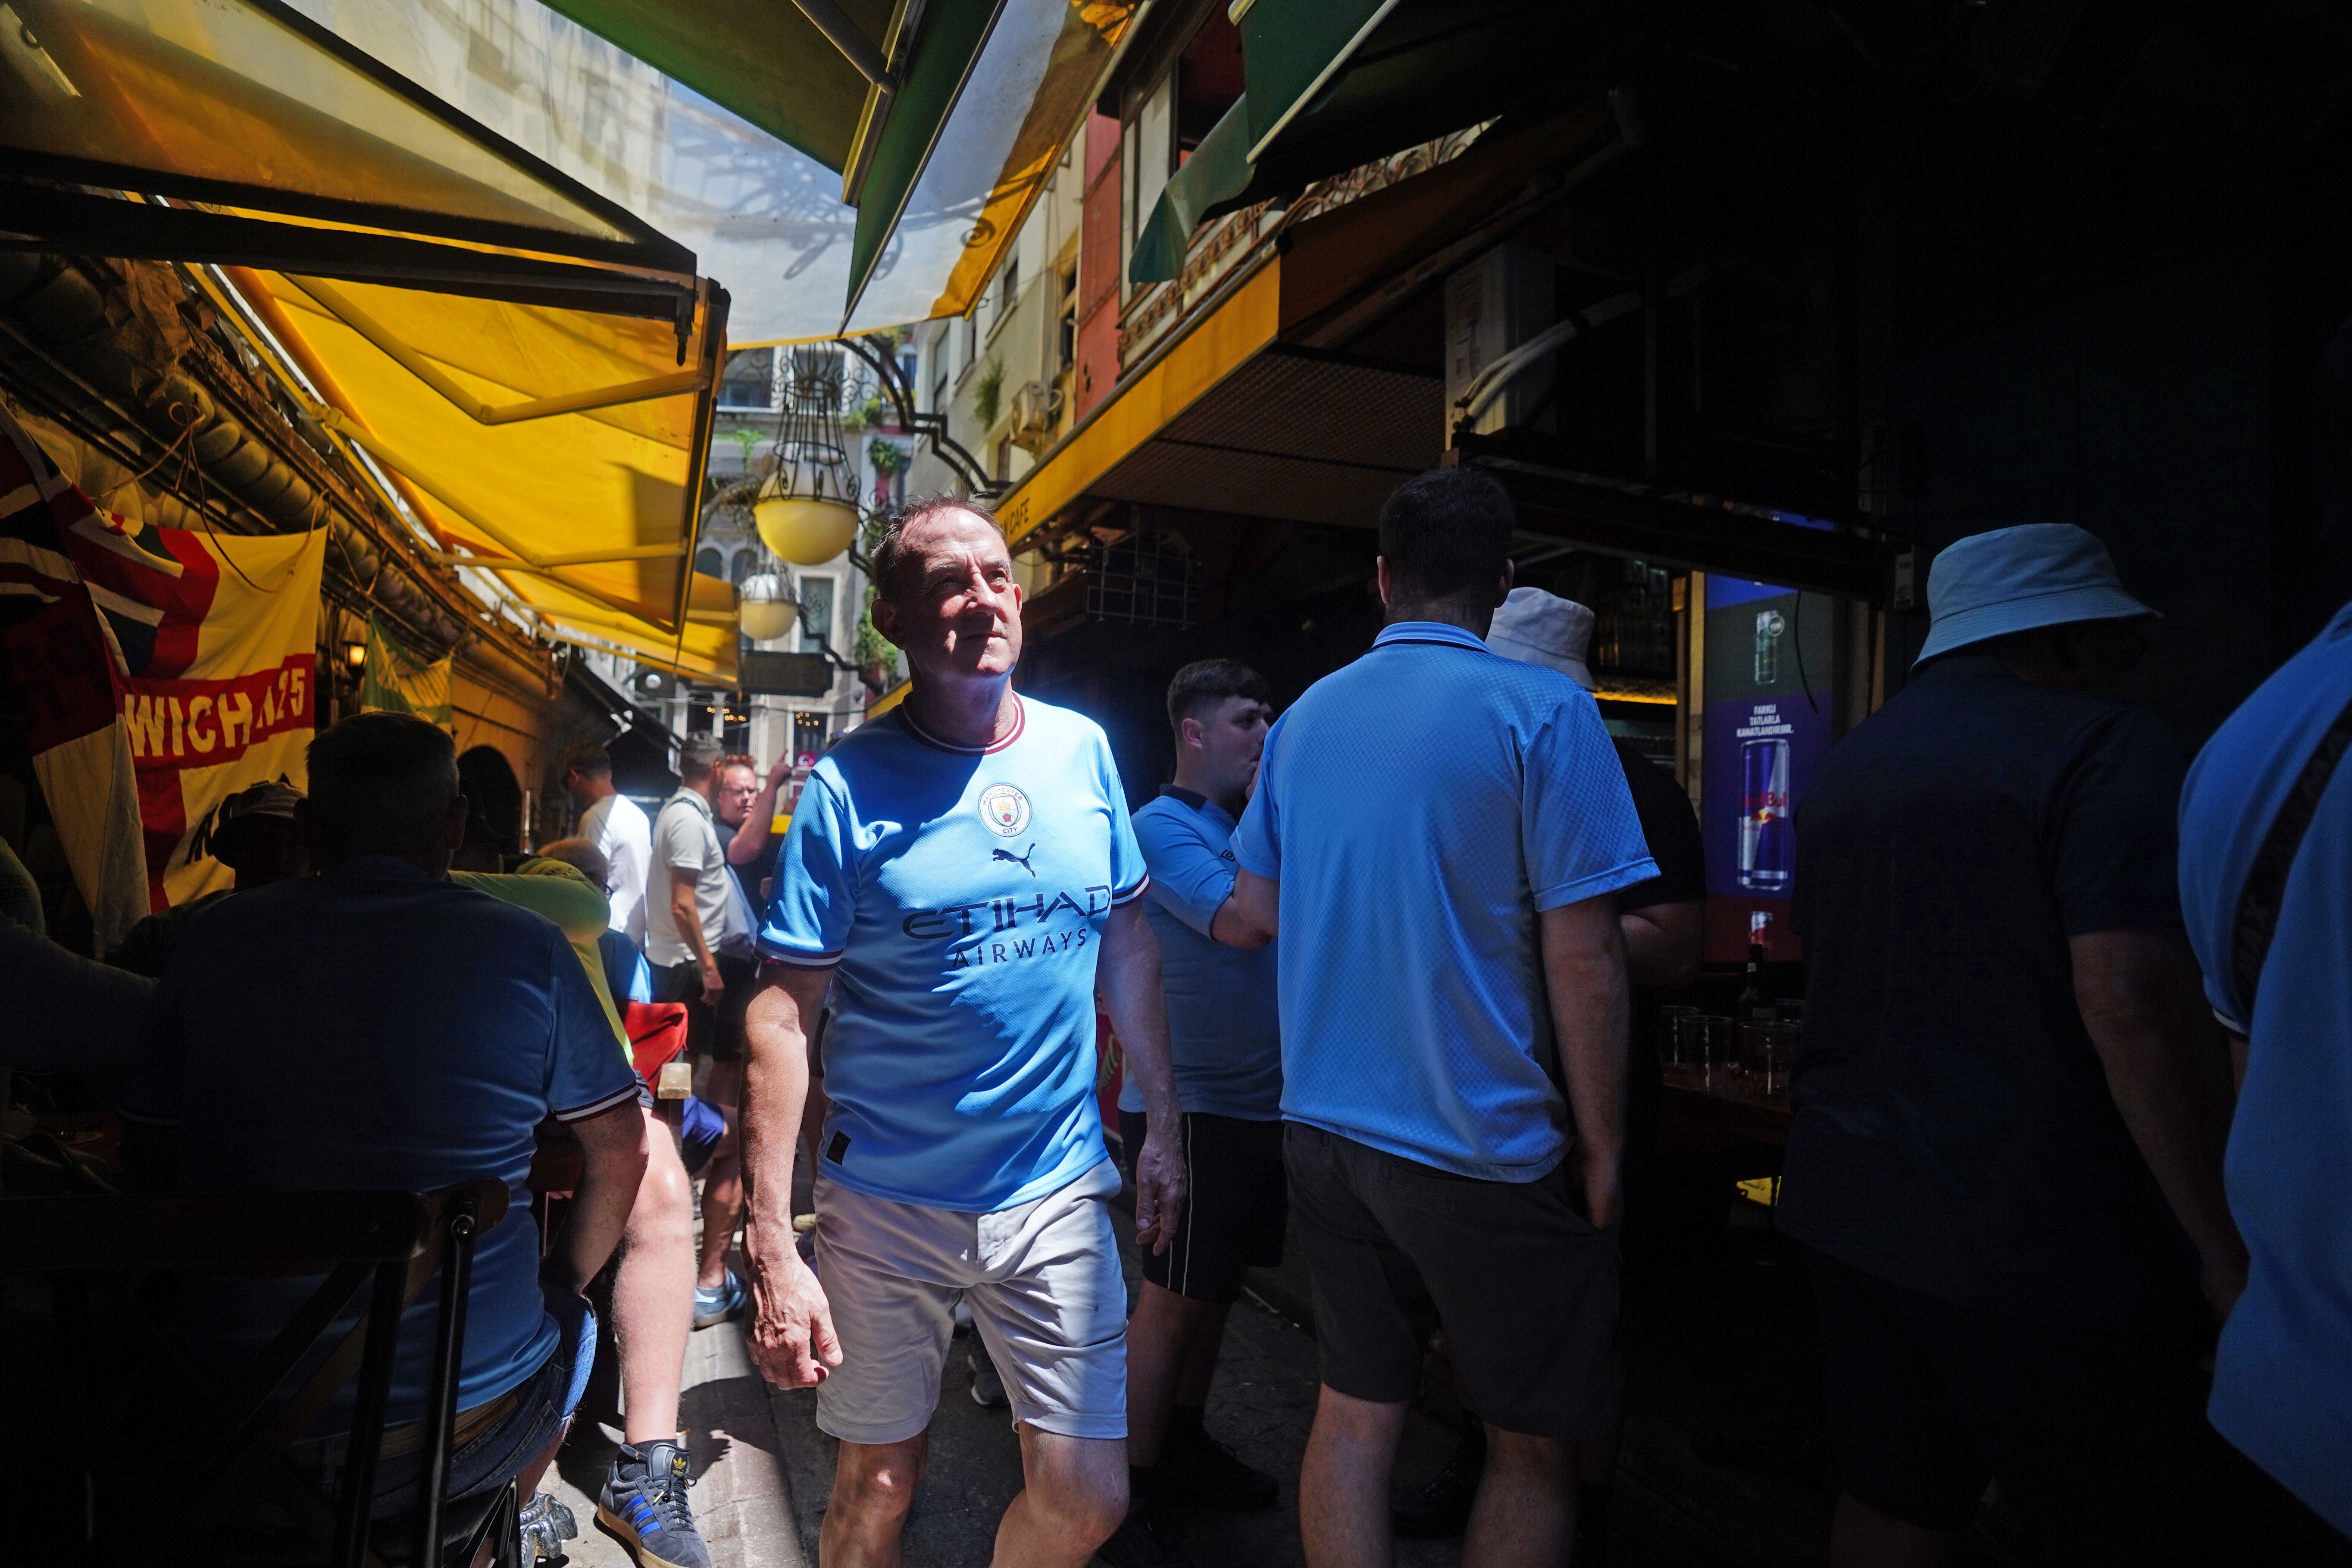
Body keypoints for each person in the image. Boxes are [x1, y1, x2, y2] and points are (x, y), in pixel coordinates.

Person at [1779, 524, 2248, 1566]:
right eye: (2116, 640)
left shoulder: (1851, 763)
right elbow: (2125, 996)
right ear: (2069, 641)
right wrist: (2220, 1245)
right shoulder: (2105, 743)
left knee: (1895, 1493)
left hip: (1848, 1199)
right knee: (2116, 1517)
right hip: (2038, 1230)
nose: (2131, 663)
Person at [739, 496, 1188, 1568]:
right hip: (887, 1195)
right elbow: (780, 1012)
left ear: (1019, 599)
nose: (979, 598)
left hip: (1055, 1188)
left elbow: (1126, 936)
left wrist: (1165, 1115)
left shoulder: (1083, 753)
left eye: (994, 575)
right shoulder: (845, 786)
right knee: (879, 1480)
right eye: (949, 581)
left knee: (1086, 1495)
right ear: (893, 619)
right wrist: (771, 1239)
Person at [1231, 467, 1658, 1568]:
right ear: (1503, 581)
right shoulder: (1545, 708)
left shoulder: (1305, 717)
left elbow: (1261, 906)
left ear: (1381, 580)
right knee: (1531, 1445)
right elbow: (1588, 954)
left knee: (1356, 1409)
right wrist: (1606, 1148)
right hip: (1479, 1142)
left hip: (1322, 1129)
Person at [117, 713, 649, 1530]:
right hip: (452, 1436)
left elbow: (148, 1160)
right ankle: (476, 1540)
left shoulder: (213, 939)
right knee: (570, 1325)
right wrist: (561, 1282)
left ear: (310, 830)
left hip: (229, 1423)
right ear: (455, 824)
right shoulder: (527, 948)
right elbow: (621, 1150)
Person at [1384, 587, 1708, 1554]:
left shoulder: (1638, 785)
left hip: (1591, 1084)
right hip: (1467, 1082)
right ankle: (1491, 1469)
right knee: (1473, 1316)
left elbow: (1680, 944)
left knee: (1582, 1317)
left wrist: (1551, 929)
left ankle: (1583, 1500)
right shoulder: (1457, 771)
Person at [2177, 598, 2352, 1544]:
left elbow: (2247, 1053)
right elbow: (2120, 998)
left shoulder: (2257, 729)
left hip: (2283, 1393)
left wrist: (2230, 1260)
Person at [1101, 659, 1283, 1568]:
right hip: (1190, 1107)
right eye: (1248, 720)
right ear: (1195, 731)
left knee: (1212, 1297)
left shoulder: (1230, 826)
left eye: (1268, 718)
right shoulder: (1159, 827)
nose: (1264, 735)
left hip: (1253, 1104)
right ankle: (1125, 1496)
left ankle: (1182, 1440)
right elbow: (1245, 925)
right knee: (1170, 1302)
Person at [110, 779, 310, 978]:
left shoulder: (327, 935)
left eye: (295, 846)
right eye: (265, 843)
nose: (280, 857)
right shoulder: (161, 934)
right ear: (237, 848)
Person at [566, 741, 652, 944]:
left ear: (574, 777)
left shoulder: (595, 817)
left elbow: (587, 882)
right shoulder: (639, 815)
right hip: (636, 935)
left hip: (605, 935)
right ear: (609, 774)